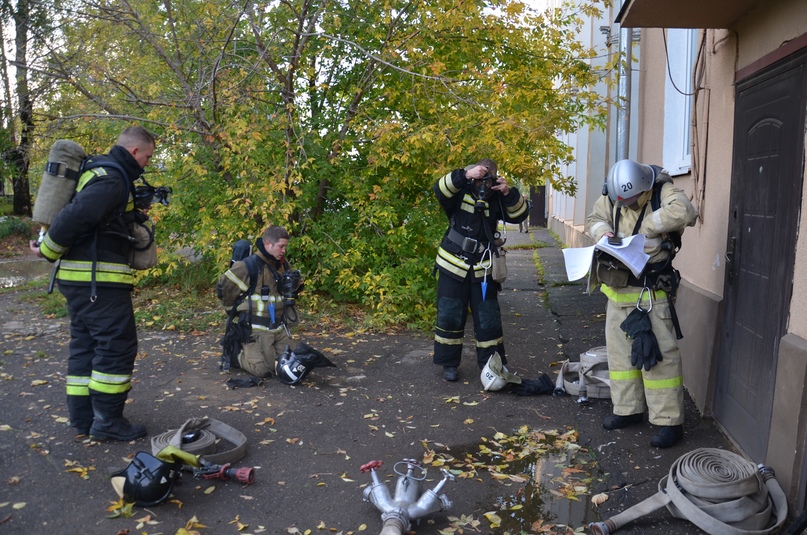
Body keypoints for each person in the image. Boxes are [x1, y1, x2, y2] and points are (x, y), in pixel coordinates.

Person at [30, 125, 156, 441]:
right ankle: (108, 422)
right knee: (116, 346)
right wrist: (48, 250)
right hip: (98, 281)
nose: (148, 164)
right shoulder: (113, 179)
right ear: (135, 151)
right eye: (148, 157)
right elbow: (76, 216)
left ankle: (84, 418)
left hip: (81, 280)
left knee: (86, 345)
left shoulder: (102, 172)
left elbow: (98, 223)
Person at [586, 159, 697, 448]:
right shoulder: (613, 194)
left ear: (644, 188)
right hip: (617, 294)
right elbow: (594, 218)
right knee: (620, 358)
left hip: (651, 295)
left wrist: (648, 226)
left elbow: (686, 211)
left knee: (659, 361)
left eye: (631, 200)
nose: (625, 205)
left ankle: (669, 422)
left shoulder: (663, 191)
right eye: (620, 201)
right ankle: (628, 410)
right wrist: (603, 233)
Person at [432, 158, 529, 382]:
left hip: (483, 270)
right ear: (473, 175)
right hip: (452, 265)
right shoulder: (460, 190)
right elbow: (439, 189)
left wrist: (508, 193)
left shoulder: (497, 197)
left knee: (488, 319)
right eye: (479, 178)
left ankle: (491, 364)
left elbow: (519, 215)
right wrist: (465, 175)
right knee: (449, 315)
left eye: (488, 179)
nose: (483, 184)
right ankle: (449, 364)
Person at [217, 225, 301, 378]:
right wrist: (231, 311)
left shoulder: (282, 264)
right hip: (256, 328)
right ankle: (236, 353)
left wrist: (293, 285)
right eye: (281, 246)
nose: (284, 250)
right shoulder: (248, 265)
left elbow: (291, 288)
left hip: (278, 326)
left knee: (294, 364)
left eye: (285, 247)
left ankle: (267, 353)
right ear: (268, 244)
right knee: (263, 370)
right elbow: (225, 288)